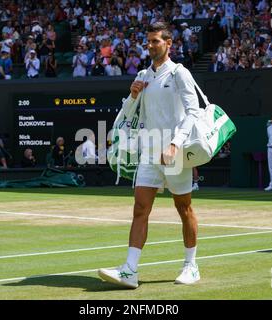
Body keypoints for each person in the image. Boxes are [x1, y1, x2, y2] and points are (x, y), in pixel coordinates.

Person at [98, 22, 201, 288]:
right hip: (149, 151)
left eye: (156, 41)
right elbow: (128, 114)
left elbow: (193, 112)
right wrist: (133, 96)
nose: (151, 46)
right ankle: (130, 270)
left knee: (184, 208)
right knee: (140, 209)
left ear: (168, 44)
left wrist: (176, 144)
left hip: (174, 153)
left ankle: (191, 266)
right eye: (149, 42)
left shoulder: (180, 73)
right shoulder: (144, 74)